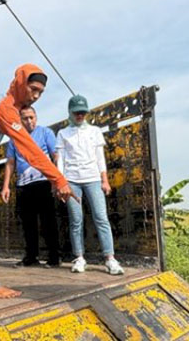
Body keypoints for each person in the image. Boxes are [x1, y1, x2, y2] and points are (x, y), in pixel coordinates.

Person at [0, 63, 77, 299]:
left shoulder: (2, 105)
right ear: (20, 83)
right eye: (33, 89)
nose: (36, 96)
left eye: (41, 92)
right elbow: (30, 150)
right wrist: (58, 179)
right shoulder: (6, 108)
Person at [55, 95, 124, 276]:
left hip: (93, 178)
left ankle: (110, 258)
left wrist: (105, 180)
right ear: (70, 112)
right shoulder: (62, 134)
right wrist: (60, 183)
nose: (80, 115)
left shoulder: (95, 131)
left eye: (83, 112)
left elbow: (100, 158)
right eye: (76, 112)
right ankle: (79, 257)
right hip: (71, 180)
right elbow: (60, 160)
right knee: (76, 219)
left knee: (101, 217)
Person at [0, 105, 61, 268]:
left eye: (31, 117)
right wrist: (5, 186)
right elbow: (10, 163)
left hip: (43, 182)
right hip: (23, 185)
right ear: (20, 120)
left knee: (48, 221)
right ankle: (31, 256)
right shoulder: (14, 138)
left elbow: (56, 156)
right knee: (28, 223)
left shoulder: (46, 132)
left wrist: (57, 180)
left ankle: (54, 256)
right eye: (25, 118)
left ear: (36, 117)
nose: (29, 121)